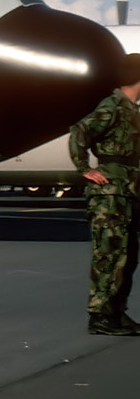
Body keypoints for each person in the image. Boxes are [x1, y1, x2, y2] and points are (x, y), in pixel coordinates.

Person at [69, 53, 140, 336]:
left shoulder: (131, 110)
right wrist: (84, 168)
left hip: (128, 192)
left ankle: (116, 312)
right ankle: (99, 316)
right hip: (110, 195)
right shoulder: (112, 107)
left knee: (128, 255)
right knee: (109, 255)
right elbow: (79, 132)